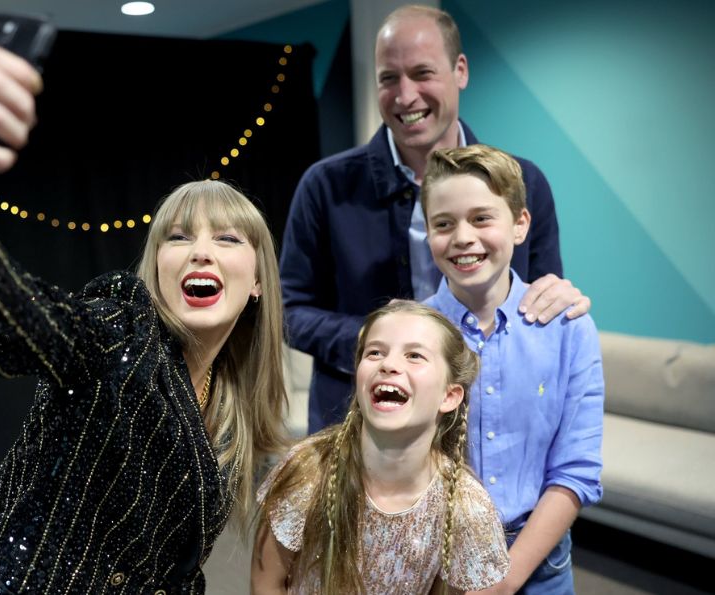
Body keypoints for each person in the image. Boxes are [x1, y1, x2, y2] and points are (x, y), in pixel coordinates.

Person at [0, 27, 289, 594]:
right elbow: (14, 316)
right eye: (177, 236)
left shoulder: (229, 402)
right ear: (155, 268)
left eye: (227, 238)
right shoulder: (121, 332)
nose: (200, 251)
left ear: (258, 280)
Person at [279, 4, 591, 433]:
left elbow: (540, 300)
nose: (405, 96)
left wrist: (559, 298)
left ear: (460, 70)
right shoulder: (325, 186)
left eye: (422, 73)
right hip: (357, 424)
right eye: (389, 78)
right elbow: (288, 310)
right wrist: (379, 339)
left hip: (490, 424)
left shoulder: (526, 182)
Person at [421, 144, 603, 593]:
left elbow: (576, 469)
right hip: (433, 562)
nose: (463, 237)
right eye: (443, 223)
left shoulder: (568, 329)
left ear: (520, 224)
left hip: (541, 566)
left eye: (482, 218)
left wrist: (506, 580)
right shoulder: (410, 332)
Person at [251, 300, 510, 595]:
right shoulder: (309, 471)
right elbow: (266, 583)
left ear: (449, 396)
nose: (388, 364)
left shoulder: (465, 506)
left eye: (414, 356)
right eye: (375, 352)